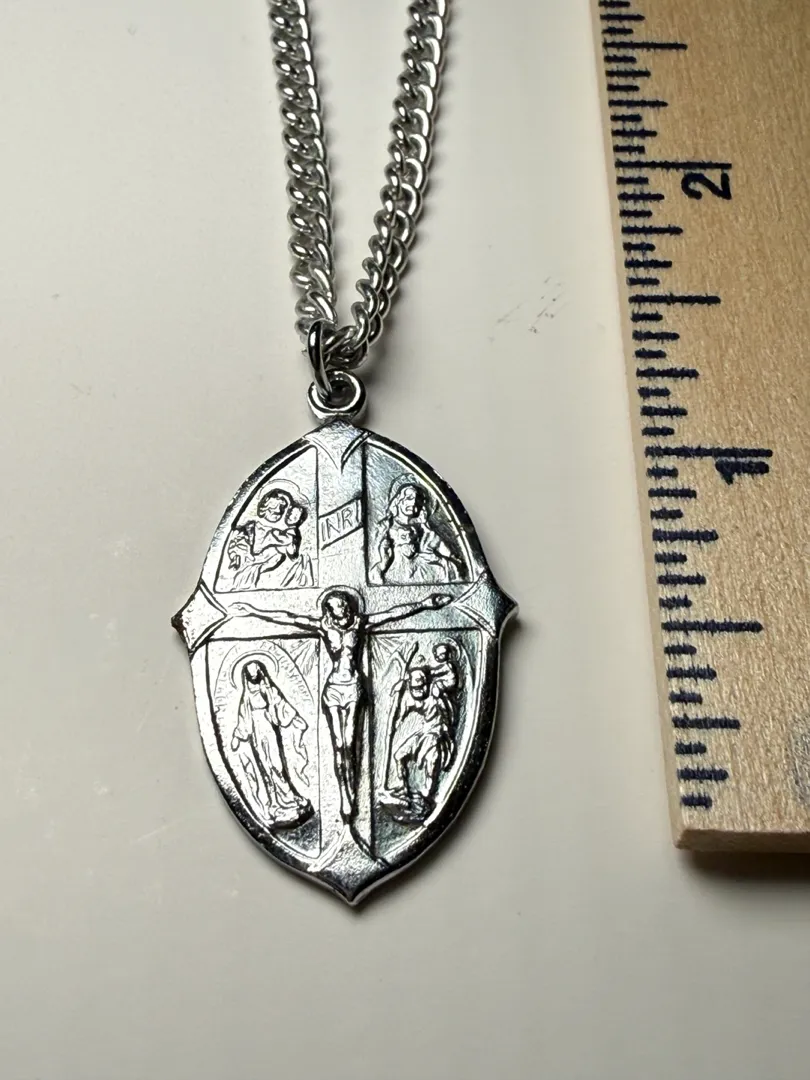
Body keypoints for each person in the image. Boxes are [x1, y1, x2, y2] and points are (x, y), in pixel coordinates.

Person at [234, 589, 452, 823]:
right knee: (339, 746)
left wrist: (424, 603)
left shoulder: (359, 624)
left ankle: (353, 797)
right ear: (330, 611)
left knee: (349, 743)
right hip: (333, 690)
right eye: (340, 606)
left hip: (353, 689)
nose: (345, 609)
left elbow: (392, 613)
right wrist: (254, 611)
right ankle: (344, 799)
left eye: (346, 605)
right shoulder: (324, 627)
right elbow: (290, 618)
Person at [382, 641, 460, 824]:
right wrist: (394, 722)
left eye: (422, 686)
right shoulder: (411, 698)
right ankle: (403, 787)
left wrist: (444, 729)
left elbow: (451, 686)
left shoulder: (436, 693)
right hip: (424, 732)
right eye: (414, 687)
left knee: (431, 761)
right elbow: (400, 714)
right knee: (399, 755)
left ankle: (426, 795)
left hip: (436, 732)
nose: (419, 690)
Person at [231, 660, 313, 828]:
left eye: (256, 673)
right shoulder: (246, 697)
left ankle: (289, 798)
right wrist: (237, 736)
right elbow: (243, 719)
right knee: (266, 768)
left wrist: (295, 718)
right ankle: (275, 804)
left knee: (277, 765)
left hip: (269, 729)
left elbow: (281, 705)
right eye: (250, 674)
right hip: (257, 733)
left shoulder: (268, 690)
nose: (254, 676)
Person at [371, 481, 460, 584]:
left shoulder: (427, 532)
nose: (413, 502)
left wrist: (437, 559)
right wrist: (383, 563)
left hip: (425, 577)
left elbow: (454, 561)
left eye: (418, 499)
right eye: (409, 498)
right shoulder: (384, 528)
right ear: (398, 501)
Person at [227, 488, 312, 589]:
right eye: (273, 510)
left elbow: (291, 552)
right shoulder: (248, 529)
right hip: (249, 568)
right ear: (264, 508)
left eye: (282, 509)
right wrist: (238, 555)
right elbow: (237, 547)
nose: (279, 511)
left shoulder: (283, 533)